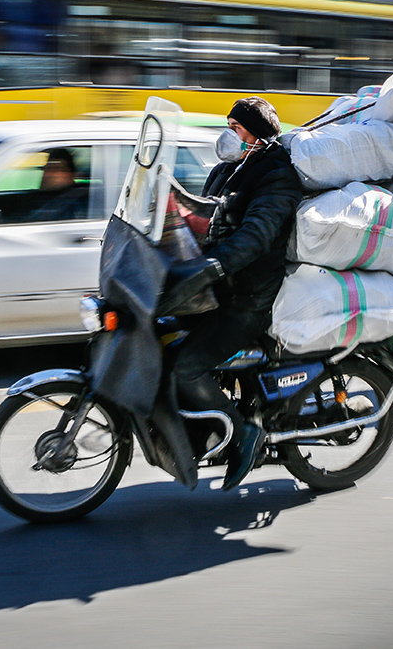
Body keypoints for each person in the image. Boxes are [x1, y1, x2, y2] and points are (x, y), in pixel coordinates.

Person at [160, 96, 303, 491]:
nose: (229, 135)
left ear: (257, 137)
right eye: (229, 126)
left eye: (236, 128)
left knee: (185, 367)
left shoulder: (276, 176)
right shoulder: (228, 170)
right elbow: (210, 215)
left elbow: (256, 235)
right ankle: (205, 429)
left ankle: (243, 435)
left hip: (248, 297)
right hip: (218, 289)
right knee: (161, 341)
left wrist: (214, 265)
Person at [24, 148, 89, 222]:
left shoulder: (79, 202)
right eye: (47, 168)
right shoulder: (39, 198)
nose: (49, 174)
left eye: (56, 169)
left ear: (71, 174)